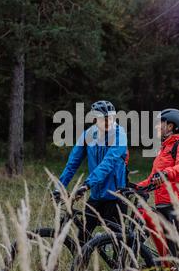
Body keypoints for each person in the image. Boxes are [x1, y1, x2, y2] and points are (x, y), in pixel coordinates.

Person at [54, 100, 128, 244]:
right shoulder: (88, 135)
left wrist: (87, 184)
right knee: (83, 239)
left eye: (111, 118)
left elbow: (108, 163)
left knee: (118, 243)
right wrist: (59, 187)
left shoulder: (120, 134)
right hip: (96, 195)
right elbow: (72, 164)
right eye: (104, 119)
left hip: (115, 196)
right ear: (95, 119)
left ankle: (122, 266)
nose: (109, 122)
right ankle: (81, 265)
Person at [135, 108, 179, 265]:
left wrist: (164, 174)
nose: (156, 127)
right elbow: (152, 178)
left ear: (170, 126)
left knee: (176, 250)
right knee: (168, 248)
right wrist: (134, 187)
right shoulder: (163, 149)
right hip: (163, 204)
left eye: (159, 124)